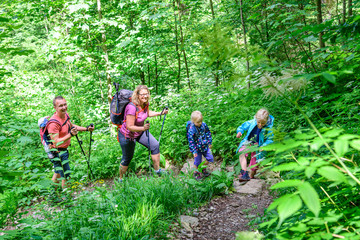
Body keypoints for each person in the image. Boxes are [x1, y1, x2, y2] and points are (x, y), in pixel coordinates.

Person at [118, 85, 168, 181]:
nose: (145, 96)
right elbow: (130, 126)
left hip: (140, 132)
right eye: (142, 94)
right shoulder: (131, 107)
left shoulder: (145, 104)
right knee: (127, 157)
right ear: (137, 95)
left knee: (155, 145)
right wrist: (143, 128)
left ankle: (157, 171)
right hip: (127, 135)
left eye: (147, 94)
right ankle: (121, 180)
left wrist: (160, 113)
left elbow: (147, 113)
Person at [47, 96, 94, 188]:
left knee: (58, 173)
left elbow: (72, 126)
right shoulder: (53, 123)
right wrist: (70, 135)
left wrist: (86, 129)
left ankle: (52, 196)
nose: (64, 107)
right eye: (61, 106)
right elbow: (56, 142)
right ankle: (67, 198)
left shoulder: (65, 116)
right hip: (57, 152)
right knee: (66, 175)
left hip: (63, 150)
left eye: (65, 104)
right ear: (55, 108)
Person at [236, 108, 274, 181]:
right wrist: (239, 132)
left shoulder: (269, 128)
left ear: (266, 121)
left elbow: (270, 139)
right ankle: (244, 173)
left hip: (258, 146)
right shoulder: (252, 122)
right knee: (241, 152)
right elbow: (243, 126)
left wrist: (264, 145)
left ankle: (251, 175)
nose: (260, 125)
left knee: (255, 163)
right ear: (256, 119)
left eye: (262, 123)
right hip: (249, 141)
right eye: (258, 122)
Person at [187, 111, 214, 180]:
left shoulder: (204, 125)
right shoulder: (191, 129)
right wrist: (194, 151)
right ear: (193, 121)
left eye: (201, 121)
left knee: (210, 158)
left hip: (205, 146)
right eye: (198, 122)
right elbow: (191, 141)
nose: (200, 123)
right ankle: (196, 173)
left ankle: (202, 168)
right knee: (197, 162)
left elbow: (208, 132)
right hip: (197, 149)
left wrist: (209, 142)